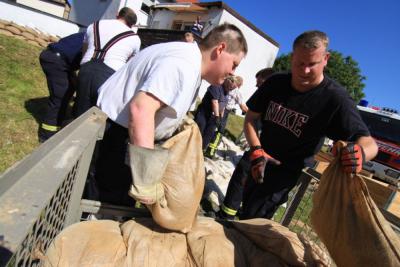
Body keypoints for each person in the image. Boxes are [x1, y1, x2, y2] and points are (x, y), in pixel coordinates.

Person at [223, 30, 378, 220]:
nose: (304, 71)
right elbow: (251, 118)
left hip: (284, 172)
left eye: (312, 64)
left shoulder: (334, 98)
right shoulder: (275, 83)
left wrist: (360, 153)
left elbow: (370, 143)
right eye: (300, 63)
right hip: (258, 156)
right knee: (242, 202)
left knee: (255, 219)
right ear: (292, 57)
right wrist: (256, 149)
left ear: (325, 59)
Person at [90, 23, 247, 206]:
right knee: (107, 207)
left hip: (124, 136)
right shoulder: (183, 65)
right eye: (234, 64)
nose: (232, 73)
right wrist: (145, 178)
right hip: (115, 138)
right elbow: (141, 109)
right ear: (220, 49)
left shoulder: (189, 62)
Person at [73, 7, 141, 117]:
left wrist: (84, 65)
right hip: (109, 74)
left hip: (86, 67)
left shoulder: (94, 25)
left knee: (80, 107)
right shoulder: (134, 38)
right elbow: (129, 63)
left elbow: (85, 49)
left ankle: (73, 131)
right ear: (132, 24)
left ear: (117, 14)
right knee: (98, 113)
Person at [38, 32, 85, 142]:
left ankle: (60, 123)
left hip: (60, 59)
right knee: (59, 98)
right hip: (56, 60)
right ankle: (46, 136)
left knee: (71, 87)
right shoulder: (97, 38)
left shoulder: (91, 32)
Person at [194, 76, 240, 151]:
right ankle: (191, 150)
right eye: (231, 87)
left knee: (208, 135)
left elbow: (223, 105)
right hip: (205, 113)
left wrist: (221, 119)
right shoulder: (216, 86)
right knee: (198, 133)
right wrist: (217, 117)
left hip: (214, 117)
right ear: (228, 81)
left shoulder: (227, 91)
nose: (231, 89)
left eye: (233, 88)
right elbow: (215, 102)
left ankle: (200, 151)